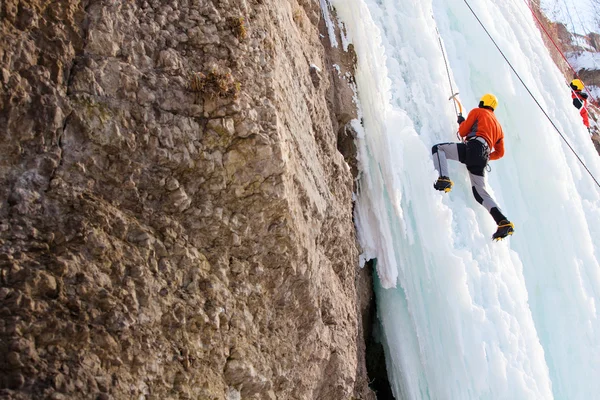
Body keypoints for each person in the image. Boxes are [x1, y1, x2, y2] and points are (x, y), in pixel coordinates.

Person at [431, 93, 515, 240]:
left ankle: (444, 178)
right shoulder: (499, 128)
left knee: (439, 149)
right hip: (483, 157)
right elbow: (500, 153)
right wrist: (487, 156)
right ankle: (503, 222)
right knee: (479, 193)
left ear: (483, 102)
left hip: (474, 147)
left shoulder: (478, 112)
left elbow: (463, 132)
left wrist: (462, 122)